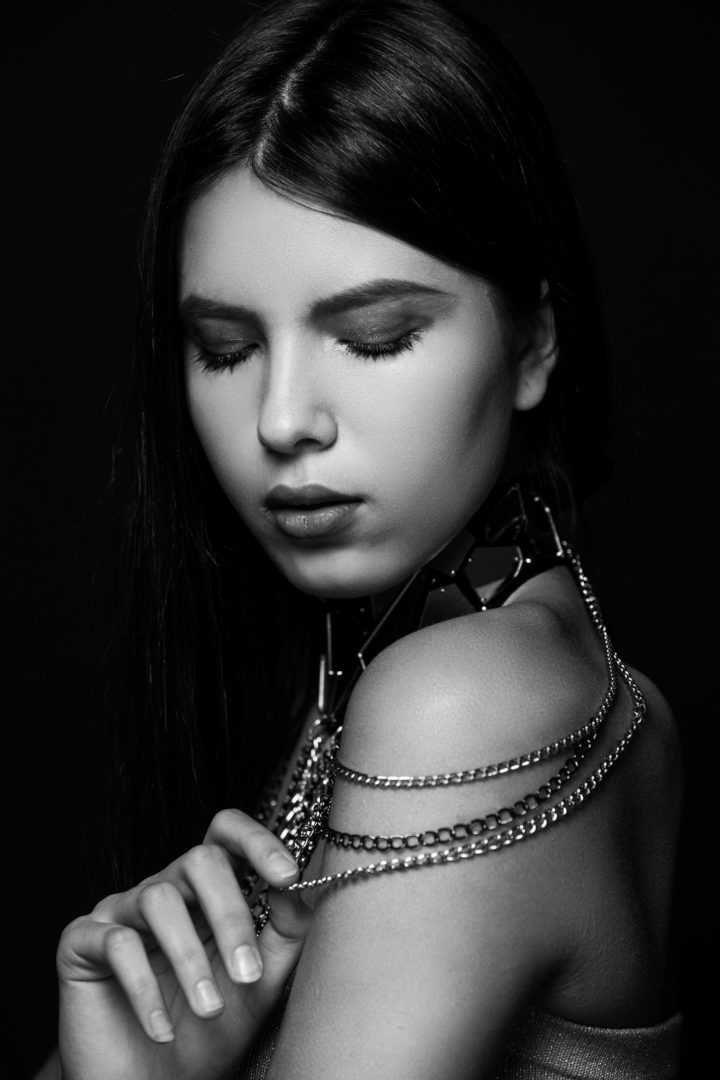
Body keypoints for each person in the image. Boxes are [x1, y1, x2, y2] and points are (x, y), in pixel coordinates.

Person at [43, 0, 683, 1076]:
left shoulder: (460, 702)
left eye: (374, 338)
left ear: (533, 343)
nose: (282, 419)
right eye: (226, 347)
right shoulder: (404, 673)